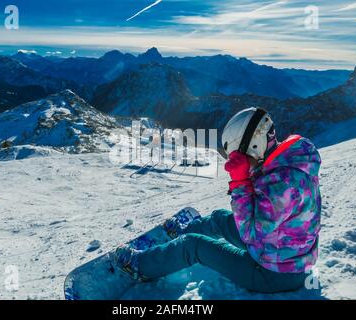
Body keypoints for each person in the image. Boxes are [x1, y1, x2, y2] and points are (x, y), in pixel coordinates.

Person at [115, 107, 322, 293]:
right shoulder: (288, 162)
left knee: (193, 246)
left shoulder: (283, 184)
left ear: (254, 145)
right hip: (282, 249)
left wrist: (240, 182)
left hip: (274, 274)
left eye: (240, 157)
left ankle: (139, 267)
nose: (240, 163)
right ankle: (181, 232)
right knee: (220, 218)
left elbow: (250, 234)